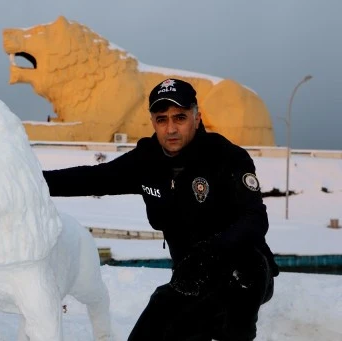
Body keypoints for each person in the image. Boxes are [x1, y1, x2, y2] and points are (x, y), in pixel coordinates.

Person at [42, 78, 279, 340]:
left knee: (242, 277)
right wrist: (31, 181)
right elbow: (93, 177)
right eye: (162, 119)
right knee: (160, 322)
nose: (171, 129)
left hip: (242, 272)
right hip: (188, 279)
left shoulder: (227, 157)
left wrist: (209, 253)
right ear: (153, 122)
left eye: (180, 118)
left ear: (196, 118)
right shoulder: (147, 160)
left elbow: (255, 219)